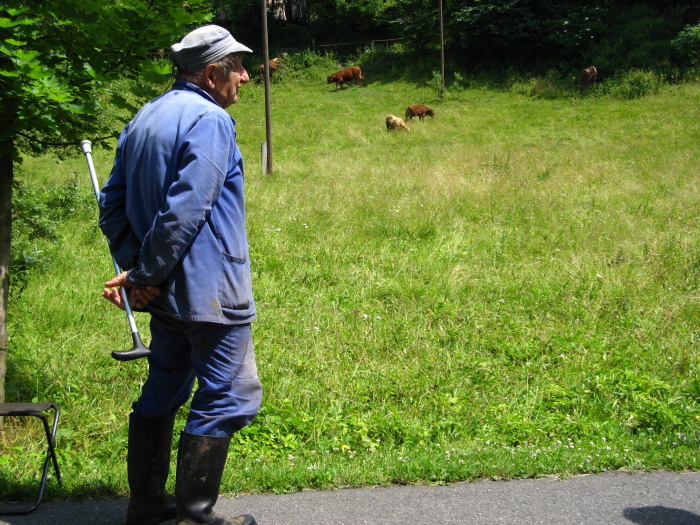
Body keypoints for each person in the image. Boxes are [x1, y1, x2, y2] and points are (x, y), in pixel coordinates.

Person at [98, 25, 262, 525]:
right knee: (231, 393)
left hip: (164, 294)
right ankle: (193, 516)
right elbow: (186, 210)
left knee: (165, 386)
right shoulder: (211, 120)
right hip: (210, 292)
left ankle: (148, 507)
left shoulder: (146, 116)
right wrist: (144, 272)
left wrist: (139, 274)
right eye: (238, 67)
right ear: (212, 73)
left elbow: (112, 205)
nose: (245, 76)